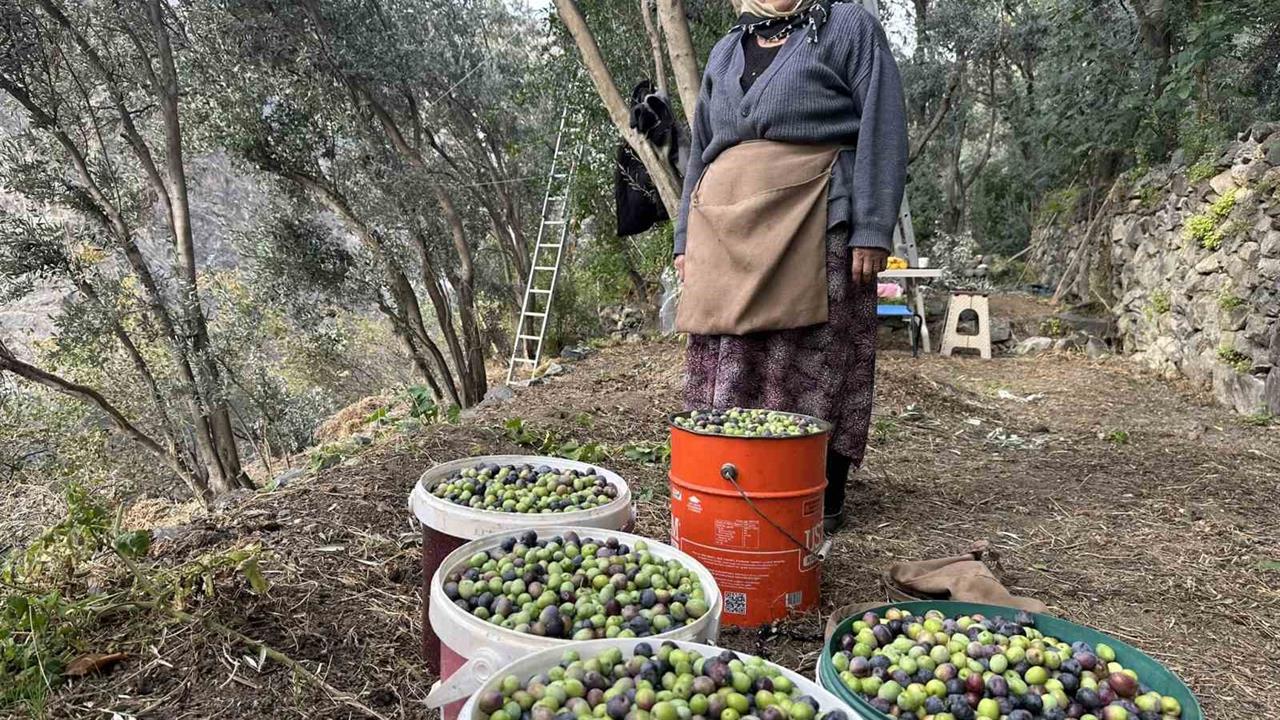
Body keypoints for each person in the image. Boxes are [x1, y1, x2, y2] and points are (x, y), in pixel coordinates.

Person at [672, 0, 908, 532]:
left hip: (815, 218)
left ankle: (808, 494)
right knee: (731, 352)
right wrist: (685, 238)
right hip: (725, 229)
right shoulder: (726, 49)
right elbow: (702, 150)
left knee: (811, 357)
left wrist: (872, 227)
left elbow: (883, 126)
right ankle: (732, 485)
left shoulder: (848, 27)